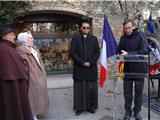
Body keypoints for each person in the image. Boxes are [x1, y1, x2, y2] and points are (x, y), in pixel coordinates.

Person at [117, 19, 148, 120]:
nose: (127, 30)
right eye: (125, 28)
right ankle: (128, 111)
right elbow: (119, 50)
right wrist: (118, 54)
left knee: (138, 93)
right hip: (128, 70)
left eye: (129, 28)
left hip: (139, 69)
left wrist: (128, 54)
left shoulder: (140, 36)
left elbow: (144, 50)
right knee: (127, 93)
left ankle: (137, 111)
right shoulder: (123, 38)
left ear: (133, 26)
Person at [0, 25, 32, 120]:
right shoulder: (3, 49)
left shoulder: (8, 48)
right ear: (4, 36)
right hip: (10, 87)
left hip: (15, 85)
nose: (14, 37)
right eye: (11, 34)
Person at [16, 31, 49, 120]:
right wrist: (32, 76)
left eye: (32, 37)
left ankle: (36, 111)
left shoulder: (34, 48)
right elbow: (24, 66)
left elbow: (40, 61)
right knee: (31, 96)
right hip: (32, 77)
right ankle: (32, 114)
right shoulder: (21, 51)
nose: (33, 39)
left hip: (39, 75)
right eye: (30, 38)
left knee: (38, 95)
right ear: (24, 40)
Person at [70, 20, 100, 116]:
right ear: (80, 28)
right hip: (79, 68)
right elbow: (72, 52)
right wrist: (82, 63)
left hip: (91, 68)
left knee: (91, 89)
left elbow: (97, 52)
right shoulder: (75, 38)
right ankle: (79, 108)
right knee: (79, 89)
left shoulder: (94, 39)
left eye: (88, 28)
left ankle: (90, 106)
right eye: (84, 27)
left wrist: (90, 62)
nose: (86, 29)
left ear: (89, 29)